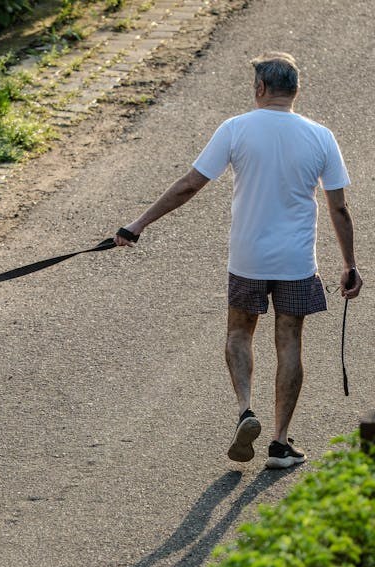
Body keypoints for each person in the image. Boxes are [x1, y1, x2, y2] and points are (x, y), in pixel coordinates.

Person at [114, 52, 362, 469]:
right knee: (289, 341)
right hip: (296, 261)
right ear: (295, 90)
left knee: (238, 333)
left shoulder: (236, 129)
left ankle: (246, 409)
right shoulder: (321, 136)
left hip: (248, 257)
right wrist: (349, 264)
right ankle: (281, 444)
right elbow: (339, 209)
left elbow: (189, 185)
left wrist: (136, 225)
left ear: (260, 88)